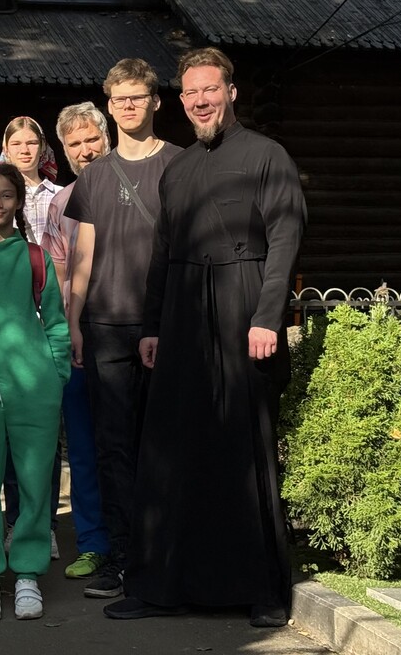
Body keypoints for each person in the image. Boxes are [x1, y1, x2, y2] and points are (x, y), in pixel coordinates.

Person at [103, 48, 305, 627]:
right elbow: (163, 254)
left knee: (245, 449)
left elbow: (285, 238)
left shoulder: (267, 155)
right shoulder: (178, 169)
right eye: (190, 92)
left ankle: (263, 591)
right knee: (172, 448)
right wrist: (151, 326)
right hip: (183, 316)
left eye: (210, 89)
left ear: (231, 92)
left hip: (244, 309)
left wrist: (267, 316)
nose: (200, 101)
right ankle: (159, 585)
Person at [64, 58, 181, 600]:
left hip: (167, 323)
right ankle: (120, 556)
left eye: (137, 96)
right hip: (106, 324)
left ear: (155, 101)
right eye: (119, 99)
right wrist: (75, 321)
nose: (128, 106)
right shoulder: (93, 175)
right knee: (112, 447)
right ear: (109, 107)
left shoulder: (181, 165)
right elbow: (83, 255)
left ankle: (165, 556)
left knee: (165, 443)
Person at [0, 164, 71, 623]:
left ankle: (27, 572)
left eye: (6, 195)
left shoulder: (34, 256)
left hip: (34, 387)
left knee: (34, 484)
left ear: (18, 201)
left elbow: (56, 321)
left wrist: (56, 375)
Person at [39, 102, 111, 580]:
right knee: (82, 448)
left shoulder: (135, 186)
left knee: (130, 443)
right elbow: (58, 273)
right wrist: (65, 331)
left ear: (106, 137)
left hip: (128, 331)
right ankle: (93, 543)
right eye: (75, 143)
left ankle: (136, 540)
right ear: (64, 151)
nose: (85, 150)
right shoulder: (62, 203)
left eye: (91, 139)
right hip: (79, 336)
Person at [0, 116, 59, 243]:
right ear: (6, 149)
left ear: (42, 147)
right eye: (16, 144)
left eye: (32, 143)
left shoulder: (61, 195)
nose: (24, 150)